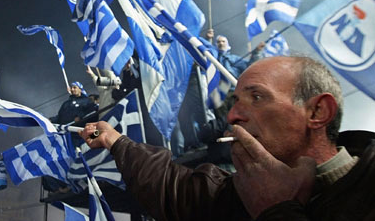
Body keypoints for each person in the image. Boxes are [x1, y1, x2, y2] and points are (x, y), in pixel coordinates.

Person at [79, 56, 375, 220]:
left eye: (257, 97)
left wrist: (277, 211)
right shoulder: (233, 193)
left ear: (317, 112)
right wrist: (115, 140)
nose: (233, 116)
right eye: (235, 101)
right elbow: (167, 184)